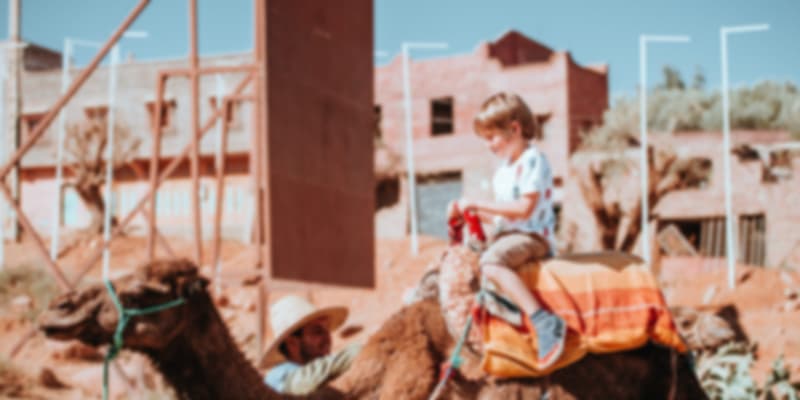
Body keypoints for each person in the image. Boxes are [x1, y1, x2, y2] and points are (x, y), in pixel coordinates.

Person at [449, 92, 565, 368]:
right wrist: (473, 215)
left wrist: (477, 202)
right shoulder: (503, 170)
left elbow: (524, 209)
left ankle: (544, 320)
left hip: (532, 236)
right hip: (511, 234)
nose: (489, 145)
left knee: (491, 263)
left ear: (514, 128)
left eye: (492, 137)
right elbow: (503, 216)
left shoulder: (533, 160)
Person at [260, 295, 360, 395]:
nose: (328, 338)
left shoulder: (321, 375)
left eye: (327, 330)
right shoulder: (277, 378)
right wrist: (363, 351)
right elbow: (302, 382)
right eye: (317, 331)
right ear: (292, 342)